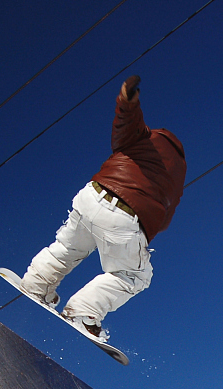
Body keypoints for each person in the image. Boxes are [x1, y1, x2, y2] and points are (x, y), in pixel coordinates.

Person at [15, 75, 186, 341]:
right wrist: (145, 234)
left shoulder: (145, 138)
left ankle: (36, 284)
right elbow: (165, 218)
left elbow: (126, 123)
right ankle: (83, 312)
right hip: (126, 215)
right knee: (134, 275)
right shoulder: (177, 177)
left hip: (91, 195)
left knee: (66, 249)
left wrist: (127, 101)